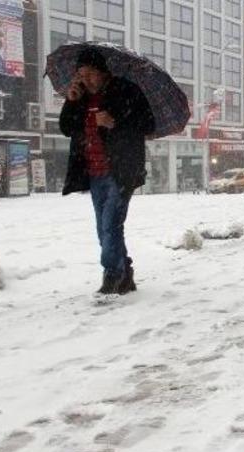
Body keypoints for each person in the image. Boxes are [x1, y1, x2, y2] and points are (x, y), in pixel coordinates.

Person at [59, 49, 155, 295]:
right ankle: (125, 272)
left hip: (121, 170)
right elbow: (67, 128)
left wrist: (115, 121)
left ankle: (113, 274)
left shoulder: (126, 90)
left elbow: (148, 124)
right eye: (81, 74)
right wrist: (70, 101)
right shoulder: (79, 97)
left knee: (111, 225)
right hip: (94, 171)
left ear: (103, 72)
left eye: (90, 73)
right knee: (104, 228)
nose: (86, 79)